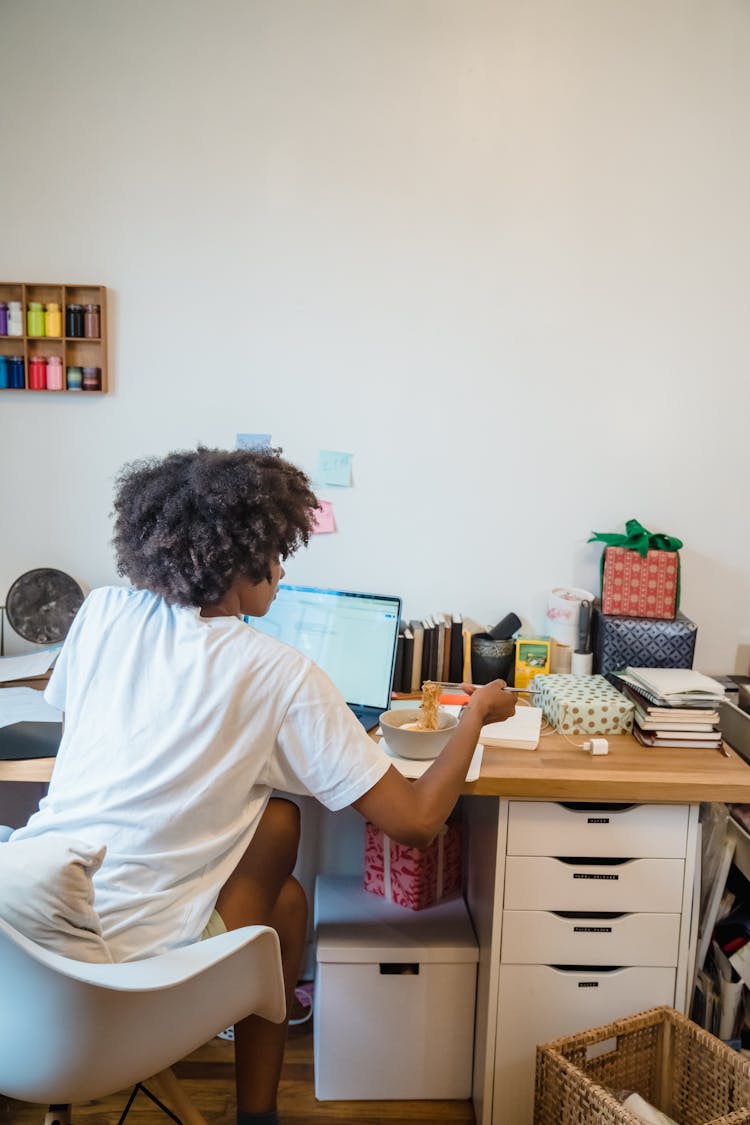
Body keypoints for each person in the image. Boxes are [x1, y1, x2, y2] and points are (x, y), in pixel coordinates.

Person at [11, 446, 516, 1125]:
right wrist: (477, 712)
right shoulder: (277, 673)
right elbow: (420, 821)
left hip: (22, 962)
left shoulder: (102, 612)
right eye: (277, 553)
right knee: (284, 877)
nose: (281, 571)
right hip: (118, 983)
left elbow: (83, 749)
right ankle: (258, 1118)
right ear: (239, 557)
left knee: (280, 834)